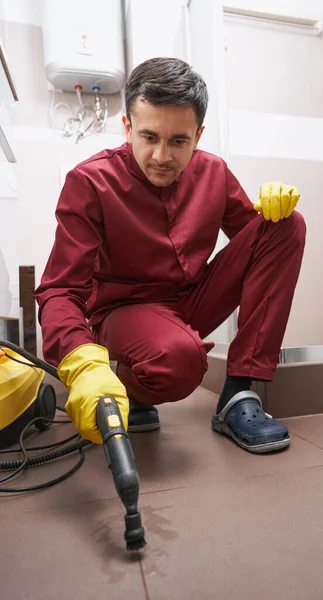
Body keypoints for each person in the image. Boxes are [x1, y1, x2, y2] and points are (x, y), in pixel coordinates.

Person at [35, 57, 306, 454]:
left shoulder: (214, 173)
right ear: (127, 128)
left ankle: (237, 393)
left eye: (179, 141)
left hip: (190, 302)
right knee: (178, 360)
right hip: (123, 313)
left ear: (198, 135)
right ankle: (132, 386)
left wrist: (272, 210)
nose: (162, 156)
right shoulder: (90, 182)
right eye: (149, 137)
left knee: (287, 225)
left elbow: (259, 245)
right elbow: (60, 290)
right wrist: (81, 362)